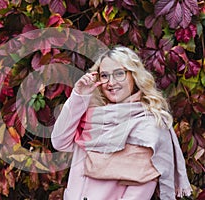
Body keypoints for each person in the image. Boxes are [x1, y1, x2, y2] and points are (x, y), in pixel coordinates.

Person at [51, 46, 192, 200]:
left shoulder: (148, 125)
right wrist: (79, 96)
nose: (111, 82)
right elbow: (59, 142)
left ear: (134, 76)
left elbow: (142, 186)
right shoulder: (92, 116)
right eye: (104, 75)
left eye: (119, 74)